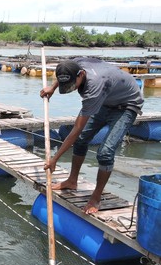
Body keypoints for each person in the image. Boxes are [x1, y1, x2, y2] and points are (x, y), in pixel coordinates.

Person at [40, 58, 144, 214]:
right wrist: (53, 88)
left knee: (105, 152)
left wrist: (55, 159)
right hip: (107, 99)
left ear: (81, 74)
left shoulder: (93, 87)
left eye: (72, 85)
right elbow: (64, 73)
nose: (72, 89)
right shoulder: (74, 65)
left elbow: (76, 129)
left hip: (127, 105)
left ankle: (96, 197)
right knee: (82, 140)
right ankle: (72, 180)